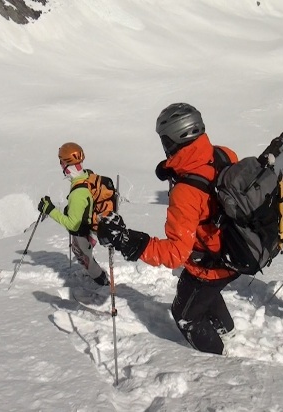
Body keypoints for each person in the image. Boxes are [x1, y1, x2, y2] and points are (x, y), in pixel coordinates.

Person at [97, 103, 240, 355]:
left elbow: (175, 254)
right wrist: (175, 169)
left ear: (173, 139)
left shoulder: (186, 193)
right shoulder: (223, 154)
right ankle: (225, 328)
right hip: (235, 248)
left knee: (185, 314)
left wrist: (127, 240)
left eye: (164, 140)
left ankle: (219, 361)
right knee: (200, 291)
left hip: (212, 263)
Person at [38, 142, 110, 287]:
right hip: (90, 223)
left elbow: (73, 224)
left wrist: (50, 210)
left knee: (84, 257)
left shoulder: (78, 193)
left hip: (83, 230)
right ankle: (99, 279)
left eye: (61, 161)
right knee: (84, 254)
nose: (60, 165)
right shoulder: (86, 175)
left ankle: (101, 282)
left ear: (66, 163)